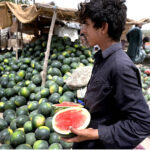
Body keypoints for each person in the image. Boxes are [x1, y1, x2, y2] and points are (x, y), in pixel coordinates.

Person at [62, 0, 150, 149]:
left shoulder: (121, 67)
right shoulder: (103, 58)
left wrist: (97, 133)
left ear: (103, 27)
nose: (83, 30)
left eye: (87, 24)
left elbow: (142, 124)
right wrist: (82, 107)